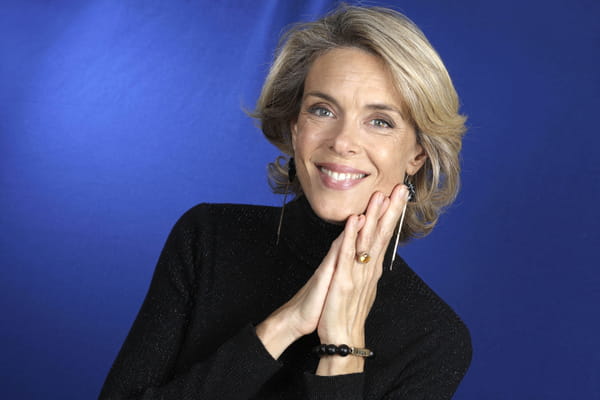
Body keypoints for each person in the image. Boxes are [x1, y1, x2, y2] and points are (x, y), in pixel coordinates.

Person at [99, 4, 471, 400]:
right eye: (322, 110)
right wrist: (283, 326)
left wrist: (343, 349)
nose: (342, 142)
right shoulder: (207, 239)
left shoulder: (434, 340)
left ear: (418, 154)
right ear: (295, 128)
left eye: (380, 121)